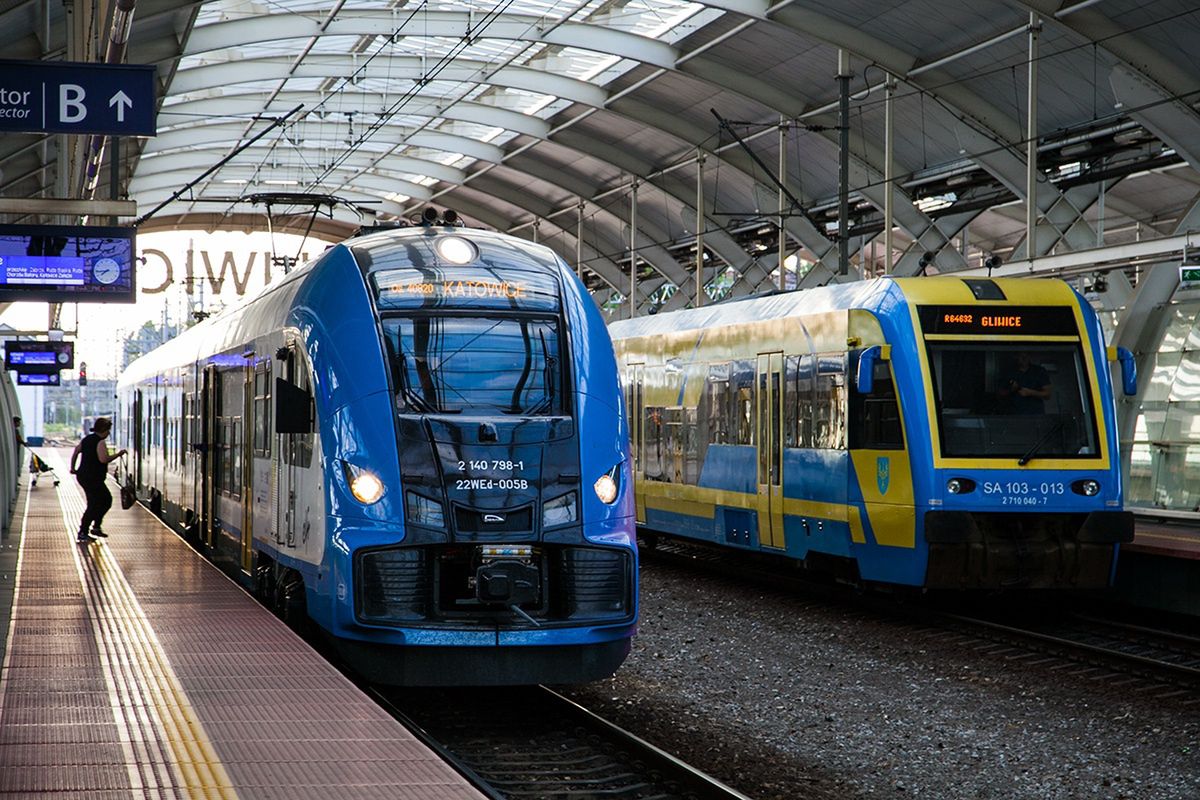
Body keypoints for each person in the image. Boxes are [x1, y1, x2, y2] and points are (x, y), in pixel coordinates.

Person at [70, 417, 126, 543]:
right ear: (104, 430)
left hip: (84, 476)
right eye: (108, 430)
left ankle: (95, 527)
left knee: (98, 502)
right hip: (93, 478)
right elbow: (103, 459)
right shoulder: (100, 442)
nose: (109, 433)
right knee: (103, 501)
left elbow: (76, 451)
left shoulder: (87, 439)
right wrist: (118, 454)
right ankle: (84, 531)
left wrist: (73, 468)